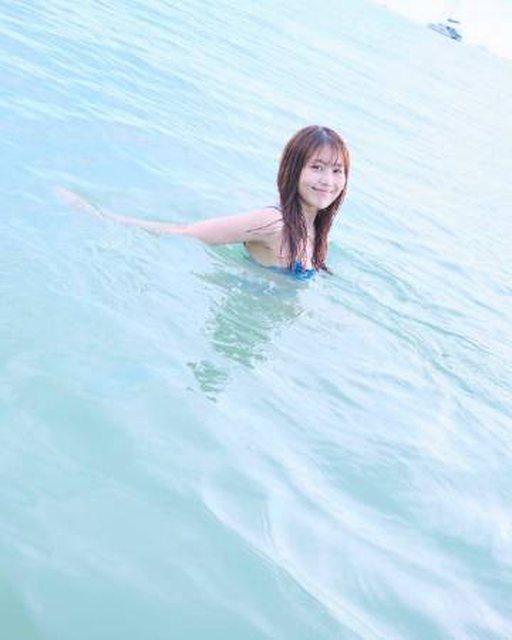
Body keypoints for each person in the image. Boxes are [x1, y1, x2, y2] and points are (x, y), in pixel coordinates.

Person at [57, 125, 350, 276]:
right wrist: (100, 217)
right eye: (316, 167)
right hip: (241, 327)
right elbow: (185, 233)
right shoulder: (274, 222)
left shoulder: (314, 230)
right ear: (293, 170)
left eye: (337, 171)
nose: (328, 181)